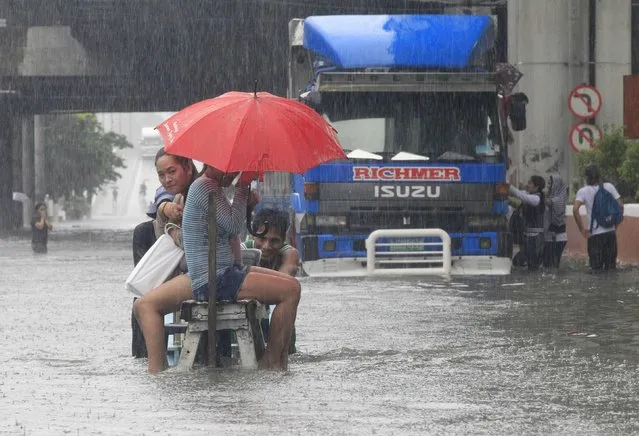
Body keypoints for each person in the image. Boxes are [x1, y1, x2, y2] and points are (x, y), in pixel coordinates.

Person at [182, 166, 301, 373]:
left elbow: (231, 232)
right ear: (212, 164)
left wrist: (244, 201)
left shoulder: (211, 188)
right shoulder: (204, 187)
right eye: (229, 170)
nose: (232, 175)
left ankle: (280, 360)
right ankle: (271, 362)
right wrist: (243, 187)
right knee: (289, 291)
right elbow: (234, 226)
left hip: (225, 272)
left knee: (293, 285)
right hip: (214, 279)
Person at [131, 150, 199, 360]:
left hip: (199, 275)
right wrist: (164, 211)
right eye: (162, 175)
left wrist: (171, 228)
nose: (167, 179)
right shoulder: (183, 196)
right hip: (188, 272)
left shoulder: (198, 194)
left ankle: (154, 367)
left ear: (188, 166)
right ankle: (143, 360)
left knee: (142, 305)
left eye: (172, 171)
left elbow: (193, 245)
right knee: (140, 299)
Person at [243, 208, 299, 353]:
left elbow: (284, 283)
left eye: (274, 241)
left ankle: (286, 352)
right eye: (262, 239)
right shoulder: (243, 252)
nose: (266, 246)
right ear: (252, 236)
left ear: (283, 240)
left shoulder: (289, 253)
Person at [573, 164, 623, 271]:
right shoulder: (609, 186)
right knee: (611, 269)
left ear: (586, 177)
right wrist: (615, 225)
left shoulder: (583, 191)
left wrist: (582, 229)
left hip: (595, 235)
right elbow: (620, 206)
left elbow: (575, 210)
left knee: (596, 271)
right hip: (610, 234)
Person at [509, 176, 546, 271]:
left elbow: (521, 196)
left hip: (535, 238)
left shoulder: (536, 198)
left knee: (533, 265)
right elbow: (519, 195)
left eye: (530, 183)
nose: (527, 185)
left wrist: (508, 185)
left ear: (536, 186)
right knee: (525, 263)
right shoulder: (530, 195)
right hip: (528, 236)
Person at [542, 173, 568, 269]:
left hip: (557, 238)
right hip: (550, 237)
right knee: (548, 265)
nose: (548, 186)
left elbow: (547, 202)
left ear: (556, 185)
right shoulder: (552, 197)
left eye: (550, 184)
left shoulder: (559, 198)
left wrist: (539, 194)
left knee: (551, 265)